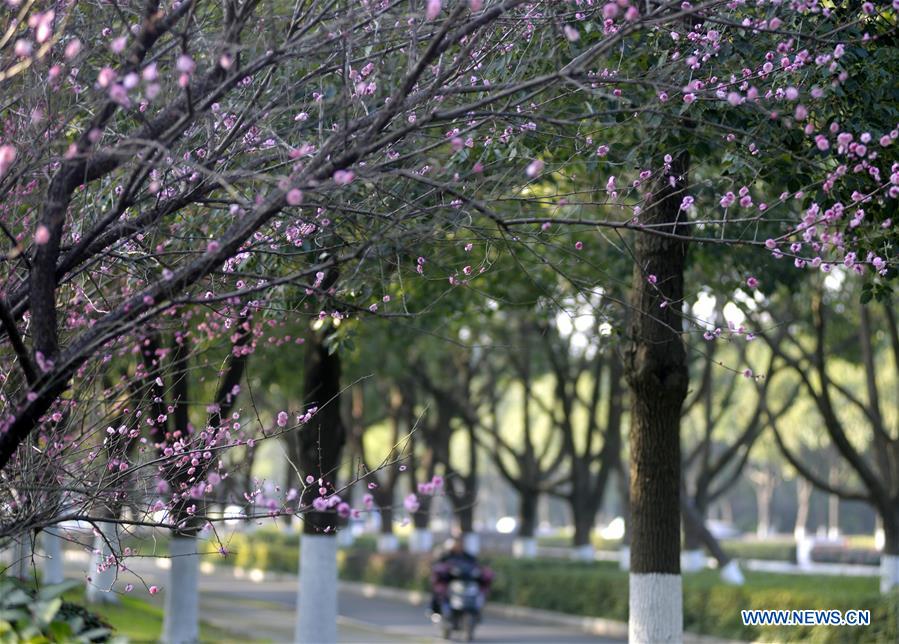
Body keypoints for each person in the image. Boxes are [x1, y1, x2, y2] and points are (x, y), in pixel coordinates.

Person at [429, 537, 493, 616]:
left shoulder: (468, 556)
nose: (458, 546)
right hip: (450, 581)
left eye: (460, 544)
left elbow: (476, 565)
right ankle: (436, 611)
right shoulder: (446, 556)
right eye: (457, 544)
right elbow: (438, 567)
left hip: (466, 580)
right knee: (439, 591)